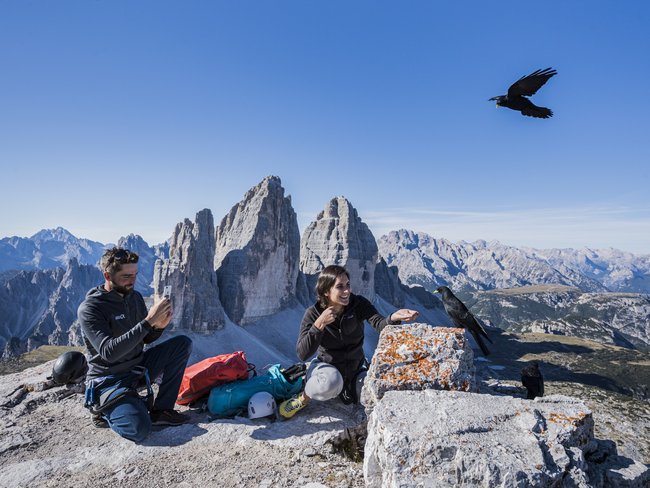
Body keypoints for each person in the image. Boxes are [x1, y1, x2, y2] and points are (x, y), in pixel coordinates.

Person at [78, 247, 193, 442]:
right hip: (109, 378)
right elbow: (109, 352)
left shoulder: (135, 297)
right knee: (138, 430)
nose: (132, 280)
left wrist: (158, 327)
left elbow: (145, 339)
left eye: (135, 274)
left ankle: (162, 410)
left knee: (182, 343)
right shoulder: (91, 308)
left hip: (137, 368)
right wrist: (148, 321)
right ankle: (103, 409)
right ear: (108, 275)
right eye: (126, 276)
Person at [279, 264, 419, 418]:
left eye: (348, 285)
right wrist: (319, 324)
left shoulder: (358, 304)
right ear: (326, 291)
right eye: (340, 287)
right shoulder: (313, 313)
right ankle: (303, 398)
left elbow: (379, 324)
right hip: (327, 368)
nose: (347, 291)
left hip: (356, 369)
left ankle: (347, 389)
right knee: (330, 383)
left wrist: (394, 317)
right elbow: (302, 353)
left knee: (375, 392)